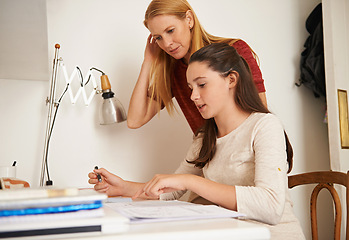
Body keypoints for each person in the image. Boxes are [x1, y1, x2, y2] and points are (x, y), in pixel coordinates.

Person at [89, 43, 305, 239]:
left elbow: (271, 207)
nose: (193, 96)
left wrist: (192, 182)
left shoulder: (265, 126)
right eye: (191, 88)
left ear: (231, 80)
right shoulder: (205, 137)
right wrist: (123, 187)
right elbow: (172, 190)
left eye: (202, 85)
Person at [127, 0, 267, 133]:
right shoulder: (172, 73)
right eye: (158, 38)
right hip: (210, 155)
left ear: (189, 19)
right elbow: (134, 120)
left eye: (170, 31)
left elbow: (260, 117)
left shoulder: (235, 51)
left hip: (250, 151)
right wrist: (148, 61)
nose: (167, 43)